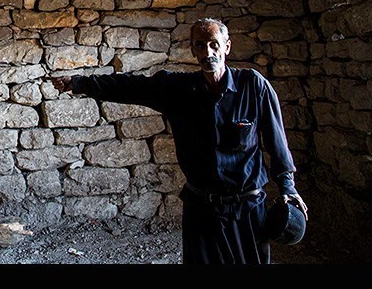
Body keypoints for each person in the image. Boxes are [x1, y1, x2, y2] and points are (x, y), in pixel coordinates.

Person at [50, 17, 308, 265]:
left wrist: (288, 187)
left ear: (227, 46)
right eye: (200, 46)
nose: (208, 52)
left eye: (214, 44)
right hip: (201, 210)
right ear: (192, 50)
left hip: (248, 209)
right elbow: (128, 86)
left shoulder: (253, 86)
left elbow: (277, 141)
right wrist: (79, 83)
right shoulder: (178, 90)